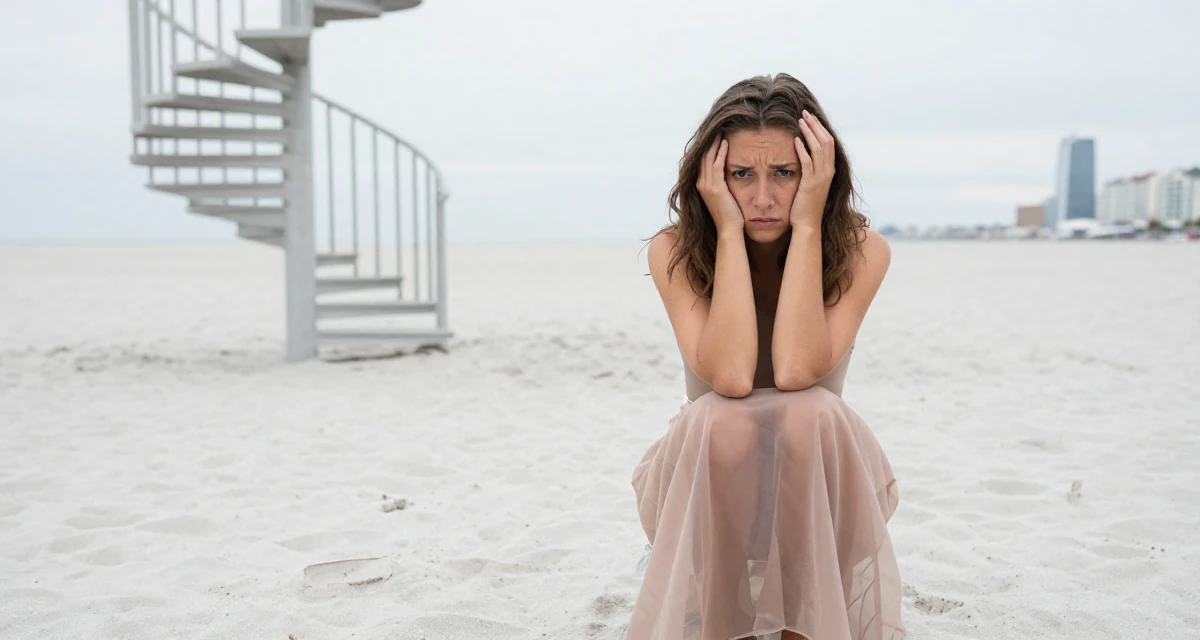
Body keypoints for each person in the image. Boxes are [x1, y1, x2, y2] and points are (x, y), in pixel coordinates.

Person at [627, 73, 905, 640]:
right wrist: (727, 233)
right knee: (719, 418)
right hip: (705, 480)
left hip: (819, 484)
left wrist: (807, 224)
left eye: (785, 173)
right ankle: (724, 624)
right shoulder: (674, 249)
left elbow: (799, 371)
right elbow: (729, 377)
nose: (762, 198)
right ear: (711, 176)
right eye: (740, 175)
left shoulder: (859, 251)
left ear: (818, 171)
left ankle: (801, 627)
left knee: (809, 412)